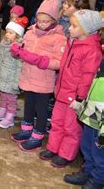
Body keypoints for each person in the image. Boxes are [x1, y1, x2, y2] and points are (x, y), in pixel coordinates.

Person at [39, 10, 103, 168]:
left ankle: (66, 154)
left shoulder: (92, 50)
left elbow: (88, 76)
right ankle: (53, 147)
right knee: (57, 122)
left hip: (74, 97)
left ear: (87, 29)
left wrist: (80, 98)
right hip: (62, 91)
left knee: (71, 128)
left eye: (74, 26)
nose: (70, 28)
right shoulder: (71, 41)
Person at [10, 0, 67, 151]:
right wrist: (17, 50)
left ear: (54, 21)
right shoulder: (30, 32)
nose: (41, 24)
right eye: (39, 21)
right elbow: (24, 50)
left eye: (46, 21)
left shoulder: (58, 38)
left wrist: (45, 61)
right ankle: (26, 129)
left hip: (43, 80)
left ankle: (38, 135)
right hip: (28, 76)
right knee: (28, 105)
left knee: (41, 110)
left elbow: (59, 62)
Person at [64, 49, 104, 188]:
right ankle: (87, 171)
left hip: (101, 123)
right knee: (86, 146)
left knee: (99, 153)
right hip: (91, 114)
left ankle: (98, 180)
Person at [0, 17, 28, 128]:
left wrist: (17, 82)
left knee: (11, 99)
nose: (7, 35)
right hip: (3, 75)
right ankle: (2, 112)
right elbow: (0, 59)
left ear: (18, 35)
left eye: (10, 33)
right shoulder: (5, 44)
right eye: (7, 32)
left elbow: (20, 66)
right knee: (3, 95)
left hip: (12, 79)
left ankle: (10, 117)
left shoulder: (20, 48)